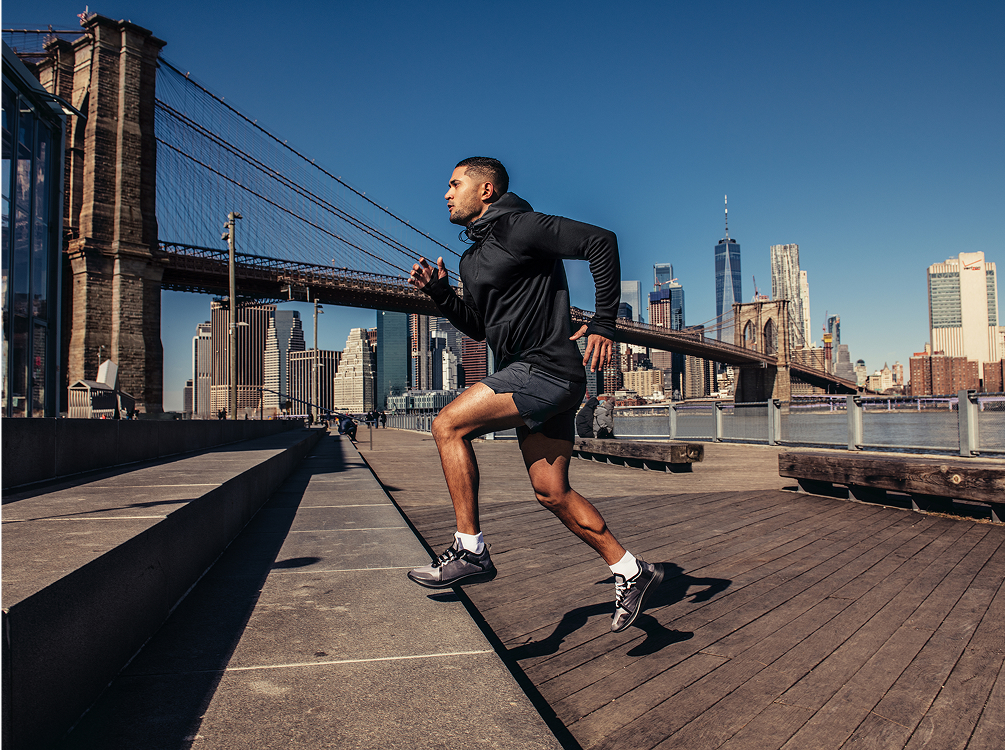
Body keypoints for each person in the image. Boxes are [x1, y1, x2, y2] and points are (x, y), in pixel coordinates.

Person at [406, 157, 663, 633]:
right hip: (537, 378)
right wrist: (442, 295)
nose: (445, 193)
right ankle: (631, 570)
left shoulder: (521, 227)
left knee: (447, 425)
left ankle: (470, 548)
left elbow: (600, 242)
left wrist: (604, 322)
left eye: (454, 184)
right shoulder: (472, 258)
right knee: (552, 492)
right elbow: (481, 327)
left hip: (545, 369)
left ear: (486, 191)